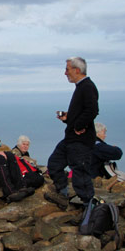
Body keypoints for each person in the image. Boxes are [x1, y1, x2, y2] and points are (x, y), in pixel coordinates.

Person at [45, 57, 99, 210]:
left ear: (77, 70)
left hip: (80, 141)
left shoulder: (87, 86)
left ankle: (90, 210)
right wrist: (68, 118)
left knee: (80, 175)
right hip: (71, 138)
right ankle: (63, 195)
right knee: (54, 164)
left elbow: (92, 110)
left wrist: (79, 125)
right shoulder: (81, 87)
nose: (65, 73)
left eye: (67, 69)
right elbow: (85, 111)